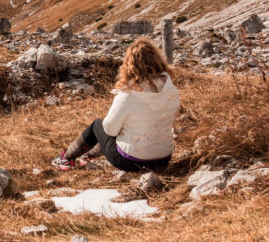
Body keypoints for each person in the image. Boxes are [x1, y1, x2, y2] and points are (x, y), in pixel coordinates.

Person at [52, 38, 179, 173]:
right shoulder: (171, 88)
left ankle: (66, 158)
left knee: (98, 125)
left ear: (130, 65)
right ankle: (88, 155)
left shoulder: (128, 94)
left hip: (132, 161)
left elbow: (109, 130)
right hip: (164, 157)